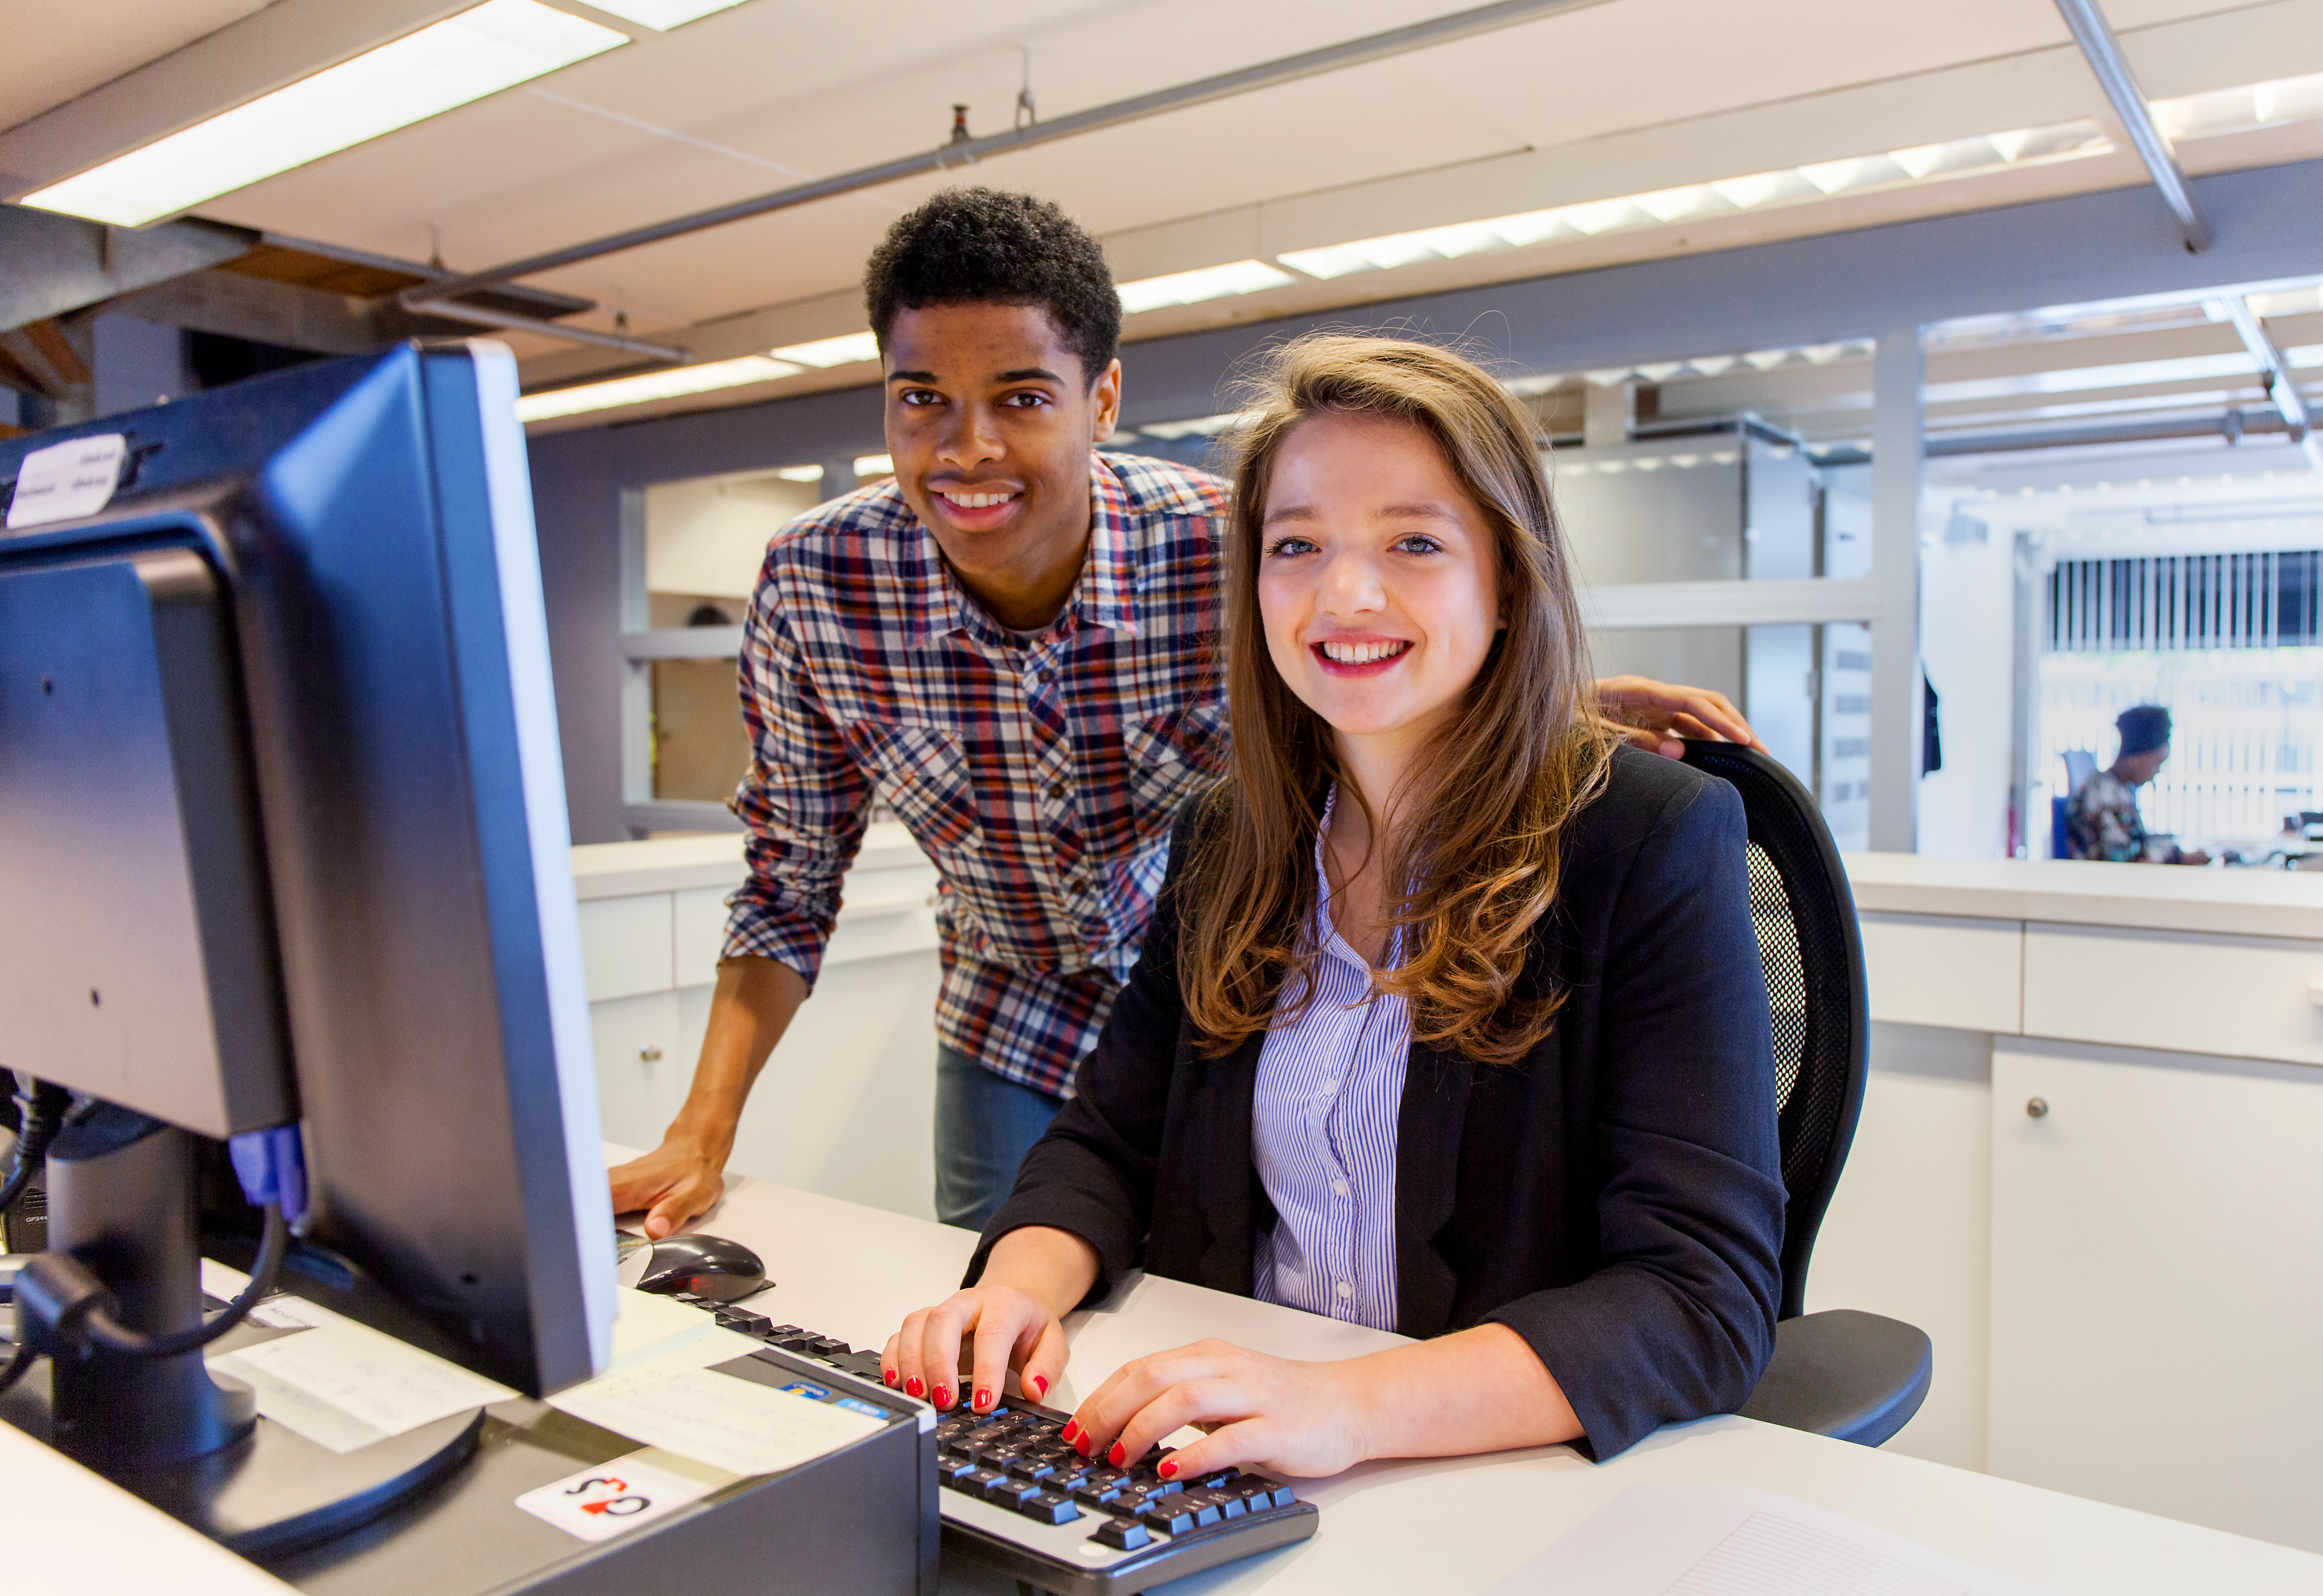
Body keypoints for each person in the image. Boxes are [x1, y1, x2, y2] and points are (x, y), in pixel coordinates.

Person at [608, 187, 1762, 1237]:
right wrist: (702, 1132)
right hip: (1006, 1018)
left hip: (1232, 1012)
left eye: (1020, 397)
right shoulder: (819, 583)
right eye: (923, 401)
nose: (967, 449)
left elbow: (1366, 678)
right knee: (1003, 1315)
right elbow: (787, 882)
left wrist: (1541, 700)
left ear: (1101, 397)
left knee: (1236, 1298)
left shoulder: (1233, 548)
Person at [879, 334, 1784, 1476]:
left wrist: (1345, 1405)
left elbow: (1699, 1292)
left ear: (1506, 578)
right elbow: (1110, 1138)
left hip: (1481, 1479)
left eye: (1414, 540)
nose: (1343, 591)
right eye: (1295, 543)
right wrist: (1013, 1292)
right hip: (1229, 1454)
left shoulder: (1644, 841)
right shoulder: (1230, 836)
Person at [2069, 704, 2208, 864]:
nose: (2157, 772)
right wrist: (2181, 858)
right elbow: (2126, 863)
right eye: (2157, 763)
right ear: (2136, 759)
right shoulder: (2107, 797)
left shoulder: (2118, 788)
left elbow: (2134, 847)